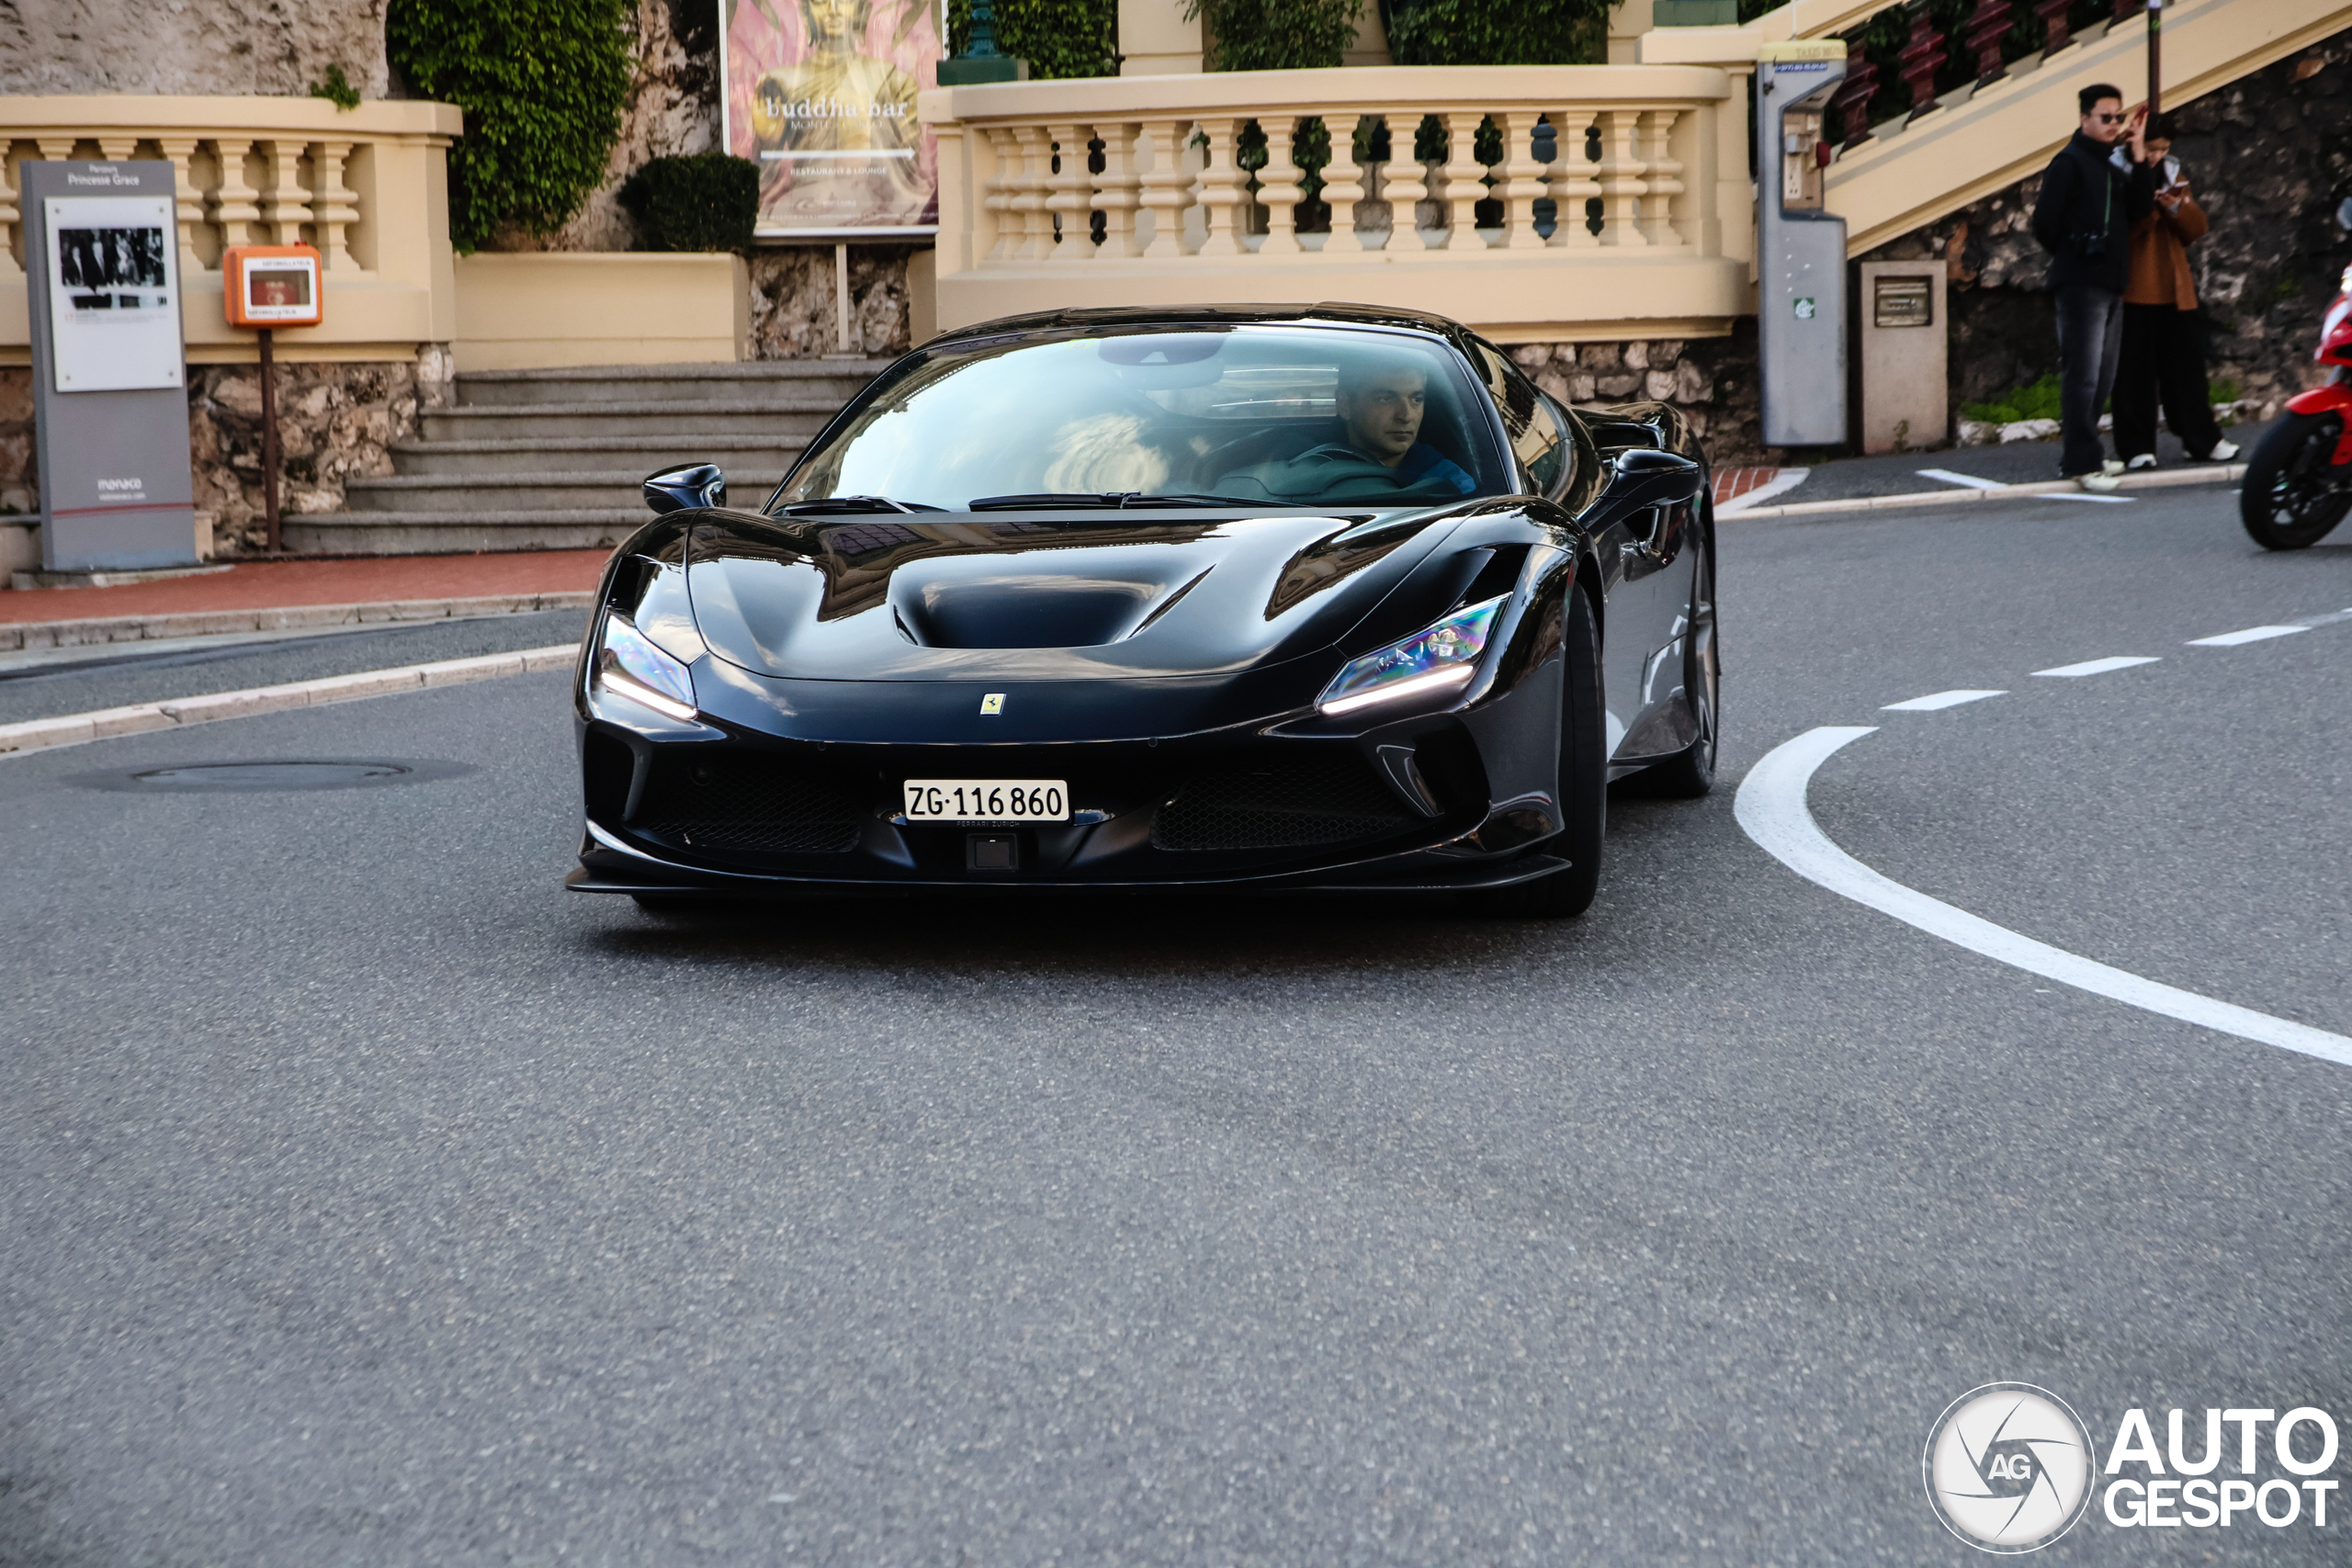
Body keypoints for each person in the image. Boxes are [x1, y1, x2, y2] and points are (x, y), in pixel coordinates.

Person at [2031, 84, 2159, 492]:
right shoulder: (2069, 163)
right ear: (2084, 118)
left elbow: (2141, 207)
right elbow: (2044, 223)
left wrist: (2138, 153)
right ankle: (2081, 463)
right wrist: (2076, 251)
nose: (2114, 125)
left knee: (2103, 376)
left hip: (2111, 283)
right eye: (2106, 117)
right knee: (2083, 376)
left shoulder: (2109, 164)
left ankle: (2087, 454)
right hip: (2081, 283)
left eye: (2118, 117)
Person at [2112, 119, 2238, 468]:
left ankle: (2202, 440)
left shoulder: (2173, 174)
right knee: (2134, 373)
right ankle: (2136, 447)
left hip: (2176, 287)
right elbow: (2119, 230)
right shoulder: (2116, 173)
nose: (2157, 155)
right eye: (2151, 148)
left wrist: (2175, 208)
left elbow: (2196, 229)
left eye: (2164, 149)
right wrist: (2150, 212)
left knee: (2187, 371)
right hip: (2133, 288)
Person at [748, 0, 927, 230]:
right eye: (821, 2)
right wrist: (767, 141)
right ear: (807, 13)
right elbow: (762, 181)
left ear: (861, 10)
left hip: (873, 214)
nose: (833, 10)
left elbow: (907, 174)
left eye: (844, 1)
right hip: (804, 211)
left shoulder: (894, 82)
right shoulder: (781, 83)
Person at [1216, 357, 1480, 502]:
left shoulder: (1451, 485)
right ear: (1344, 404)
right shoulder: (1288, 459)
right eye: (1385, 399)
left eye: (1416, 399)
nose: (1405, 415)